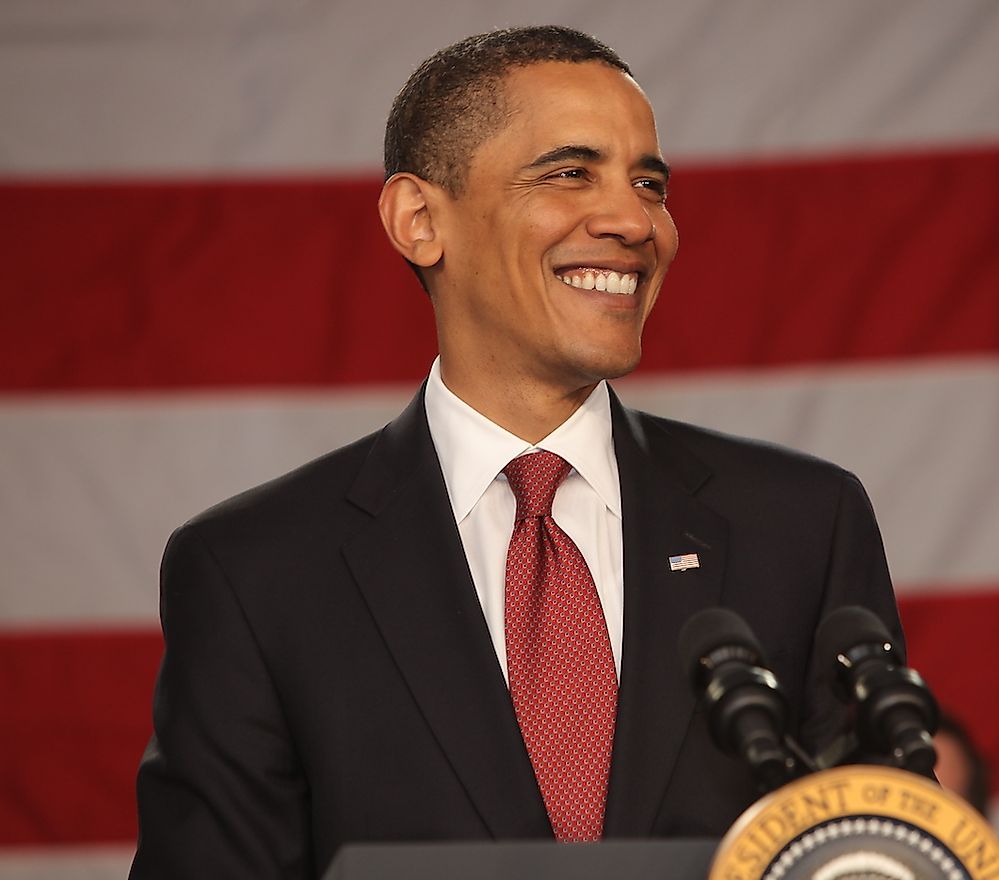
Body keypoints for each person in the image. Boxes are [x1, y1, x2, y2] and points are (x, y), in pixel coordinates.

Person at [130, 25, 903, 878]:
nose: (633, 221)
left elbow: (893, 851)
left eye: (649, 183)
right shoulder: (257, 572)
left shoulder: (800, 525)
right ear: (420, 220)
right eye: (570, 173)